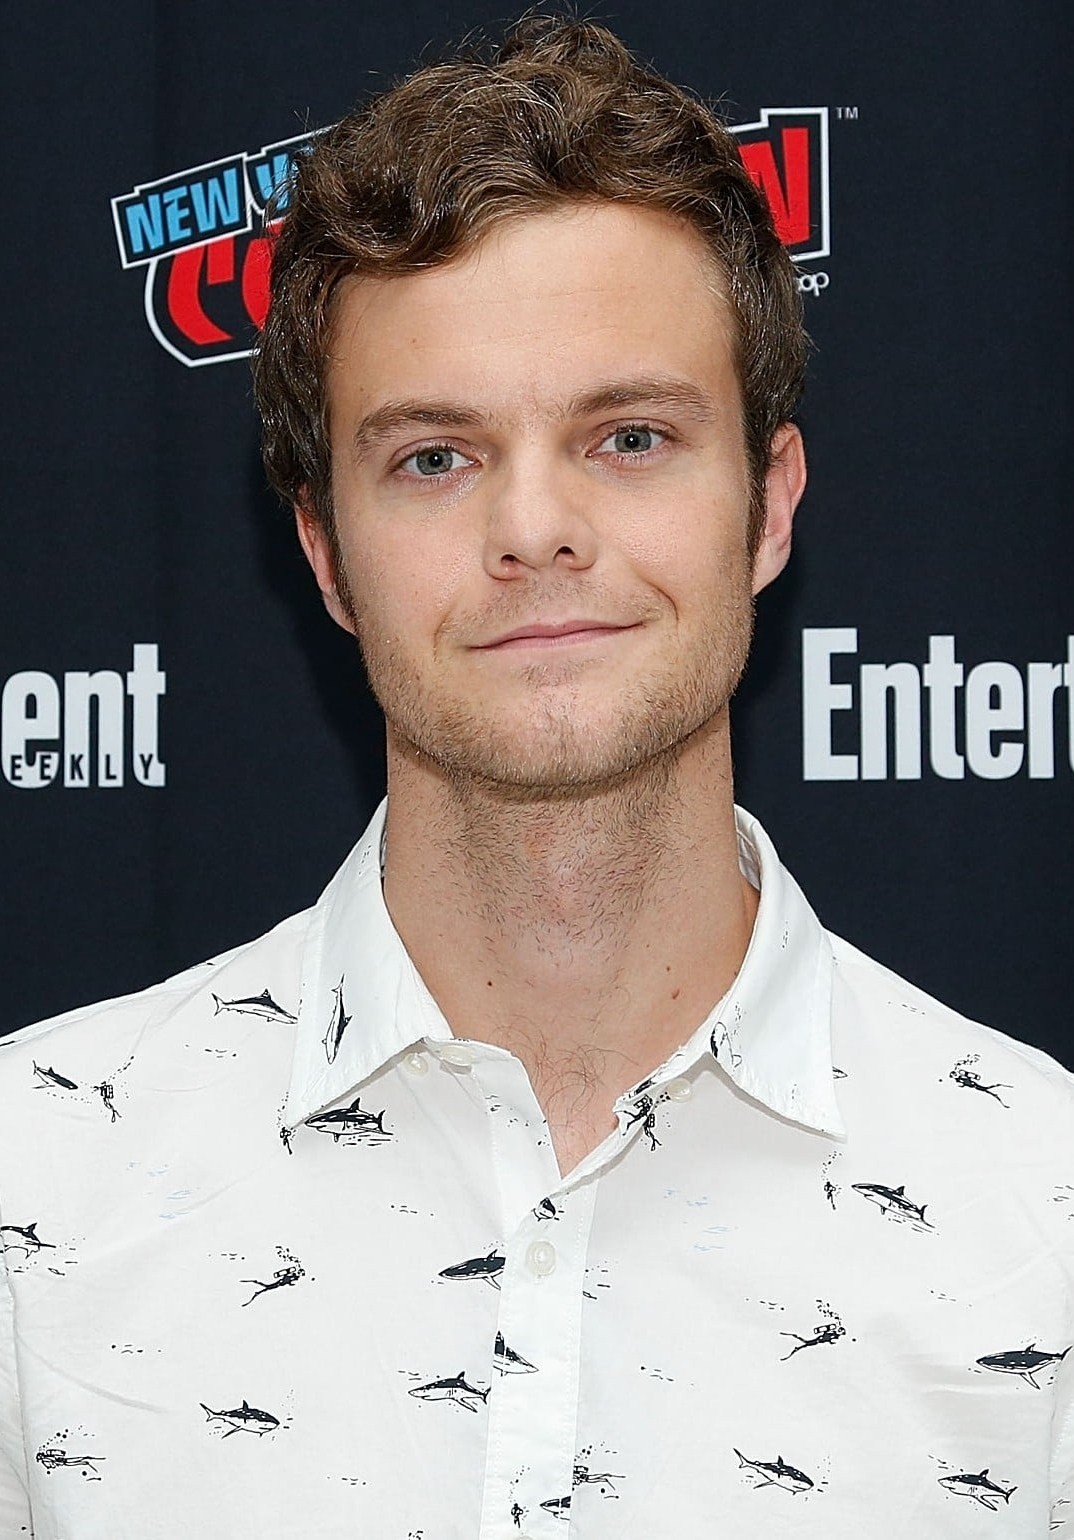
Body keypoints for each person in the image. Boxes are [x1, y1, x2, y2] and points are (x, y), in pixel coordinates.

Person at [2, 14, 1071, 1536]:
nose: (534, 530)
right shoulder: (36, 1189)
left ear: (769, 507)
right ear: (325, 554)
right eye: (433, 458)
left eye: (627, 437)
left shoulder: (1039, 1210)